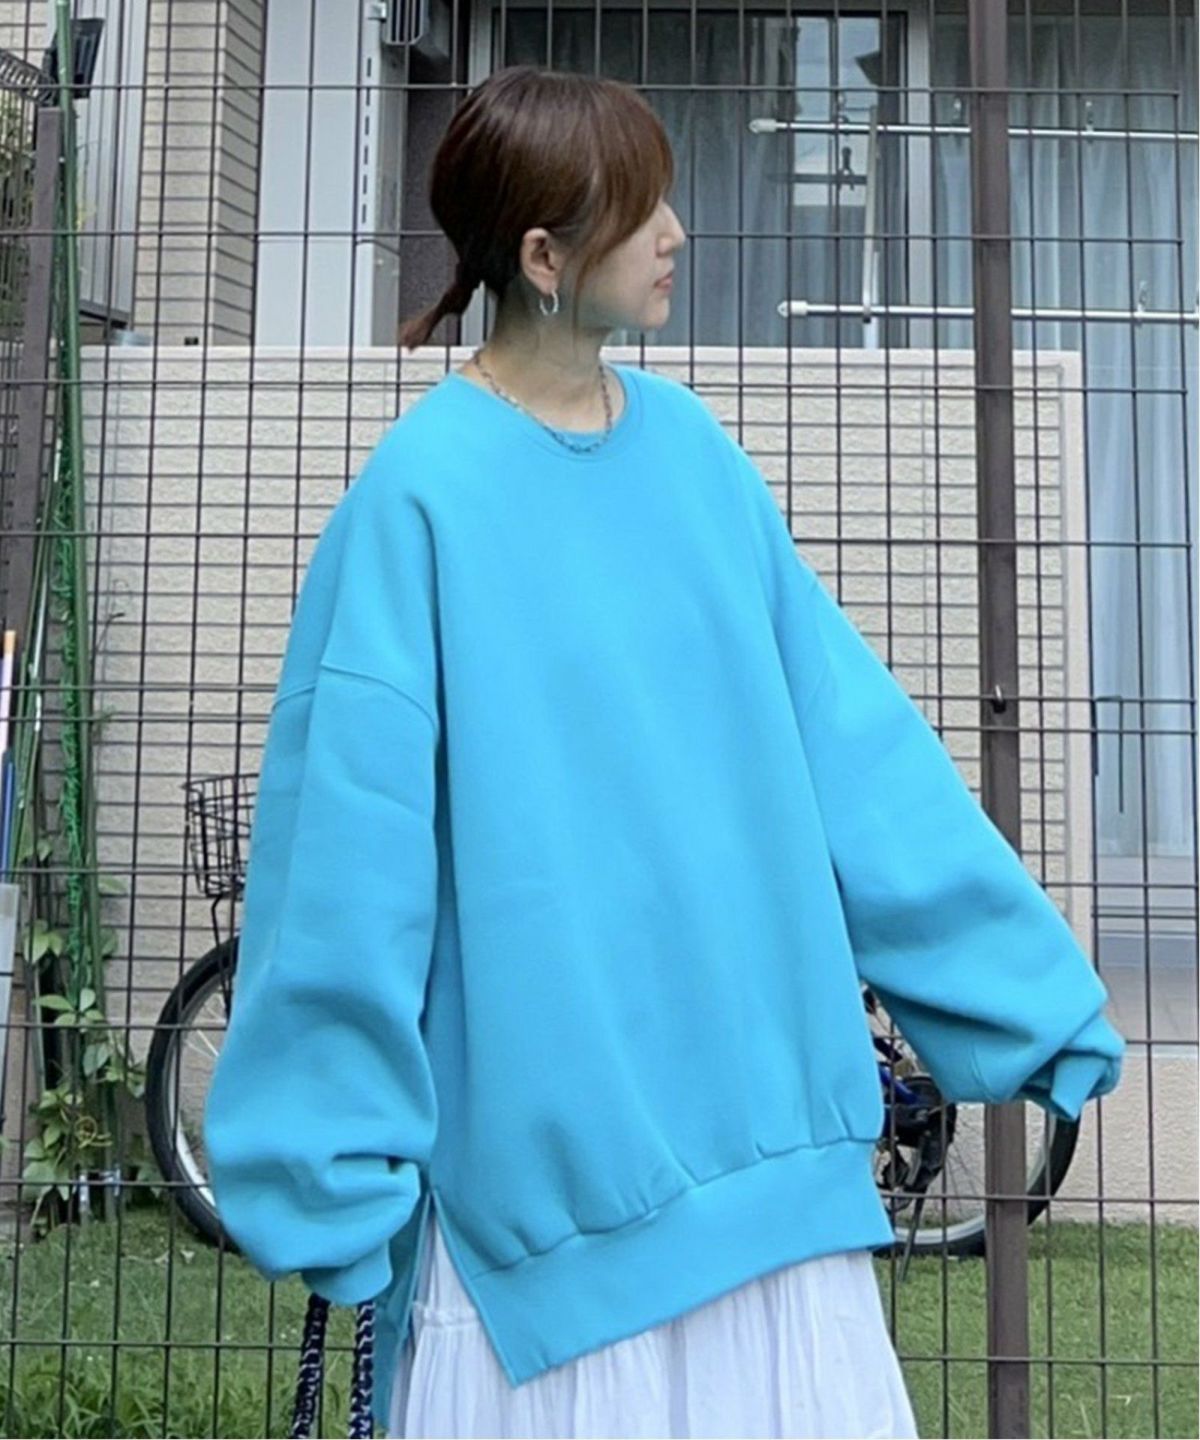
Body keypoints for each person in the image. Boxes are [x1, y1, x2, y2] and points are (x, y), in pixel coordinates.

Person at [202, 64, 1126, 1440]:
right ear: (543, 258)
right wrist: (325, 1165)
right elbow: (342, 865)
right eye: (643, 211)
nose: (677, 234)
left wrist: (1021, 992)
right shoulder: (417, 504)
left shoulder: (695, 458)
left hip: (774, 1192)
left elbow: (853, 747)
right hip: (553, 1235)